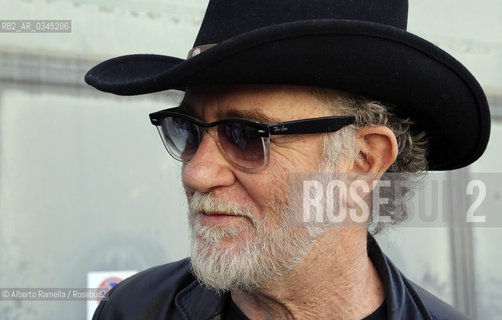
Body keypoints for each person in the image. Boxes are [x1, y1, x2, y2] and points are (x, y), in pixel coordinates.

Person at [85, 0, 490, 319]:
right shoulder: (134, 310)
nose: (196, 172)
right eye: (186, 129)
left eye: (244, 134)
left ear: (364, 159)